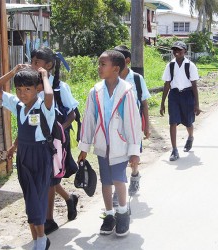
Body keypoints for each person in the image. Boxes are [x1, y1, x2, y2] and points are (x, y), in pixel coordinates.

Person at [77, 50, 142, 237]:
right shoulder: (95, 91)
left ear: (115, 69)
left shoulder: (126, 91)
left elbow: (132, 123)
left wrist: (134, 150)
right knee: (105, 181)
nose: (99, 67)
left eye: (102, 64)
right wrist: (84, 147)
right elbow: (89, 119)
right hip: (102, 145)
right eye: (99, 64)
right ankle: (109, 214)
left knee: (119, 180)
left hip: (120, 145)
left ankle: (122, 213)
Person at [0, 66, 53, 250]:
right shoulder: (17, 104)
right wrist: (13, 71)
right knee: (29, 197)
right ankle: (38, 240)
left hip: (40, 155)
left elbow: (49, 95)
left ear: (38, 88)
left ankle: (41, 240)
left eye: (27, 89)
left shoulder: (43, 105)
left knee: (37, 197)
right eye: (19, 89)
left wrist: (44, 75)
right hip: (23, 155)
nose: (22, 93)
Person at [31, 47, 79, 235]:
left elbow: (72, 113)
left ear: (48, 65)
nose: (32, 65)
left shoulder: (59, 86)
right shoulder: (30, 84)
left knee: (50, 179)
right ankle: (69, 198)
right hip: (36, 139)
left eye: (37, 62)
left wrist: (59, 131)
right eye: (32, 61)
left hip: (56, 140)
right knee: (47, 178)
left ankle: (49, 220)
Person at [113, 45, 151, 197]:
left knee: (133, 156)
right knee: (117, 157)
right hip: (115, 125)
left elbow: (144, 102)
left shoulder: (136, 78)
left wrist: (146, 126)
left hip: (133, 125)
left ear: (127, 60)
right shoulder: (110, 78)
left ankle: (135, 174)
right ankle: (118, 188)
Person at [160, 41, 201, 161]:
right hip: (174, 95)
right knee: (173, 121)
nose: (176, 52)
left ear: (185, 52)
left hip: (188, 95)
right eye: (174, 50)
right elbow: (167, 84)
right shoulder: (170, 65)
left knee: (188, 122)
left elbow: (194, 86)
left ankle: (190, 137)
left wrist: (197, 104)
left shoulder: (190, 65)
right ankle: (174, 150)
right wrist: (162, 103)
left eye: (179, 50)